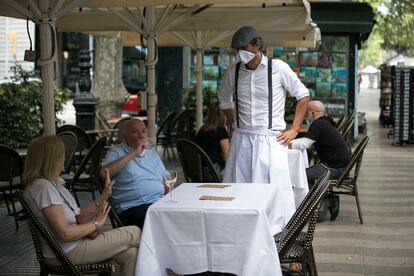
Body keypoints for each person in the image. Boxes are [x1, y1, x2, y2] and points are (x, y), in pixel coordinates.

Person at [23, 135, 140, 276]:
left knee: (131, 254)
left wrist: (105, 195)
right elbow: (64, 233)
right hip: (67, 251)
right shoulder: (42, 188)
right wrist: (96, 224)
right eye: (62, 153)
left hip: (76, 245)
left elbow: (78, 216)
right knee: (135, 232)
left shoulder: (55, 184)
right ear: (52, 158)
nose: (64, 157)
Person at [218, 25, 309, 184]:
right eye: (237, 49)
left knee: (272, 188)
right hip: (242, 140)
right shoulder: (233, 71)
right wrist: (234, 122)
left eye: (244, 47)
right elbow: (224, 99)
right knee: (239, 187)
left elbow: (303, 95)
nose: (240, 52)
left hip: (270, 140)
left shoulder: (278, 68)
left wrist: (294, 129)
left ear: (257, 46)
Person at [100, 118, 169, 230]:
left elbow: (167, 178)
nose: (141, 135)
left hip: (158, 203)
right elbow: (104, 173)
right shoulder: (116, 152)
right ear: (125, 136)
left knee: (183, 215)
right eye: (135, 132)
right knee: (167, 222)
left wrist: (168, 190)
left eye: (143, 131)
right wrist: (134, 152)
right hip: (132, 208)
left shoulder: (151, 153)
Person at [289, 100, 351, 221]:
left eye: (306, 113)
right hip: (340, 165)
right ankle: (323, 202)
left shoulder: (318, 125)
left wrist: (284, 144)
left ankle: (316, 207)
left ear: (312, 113)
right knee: (306, 174)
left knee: (302, 176)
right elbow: (306, 141)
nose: (306, 116)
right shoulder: (326, 121)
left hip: (334, 168)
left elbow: (304, 144)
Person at [195, 103, 230, 178]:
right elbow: (227, 158)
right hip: (213, 172)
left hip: (198, 171)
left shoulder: (201, 130)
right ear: (223, 115)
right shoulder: (221, 131)